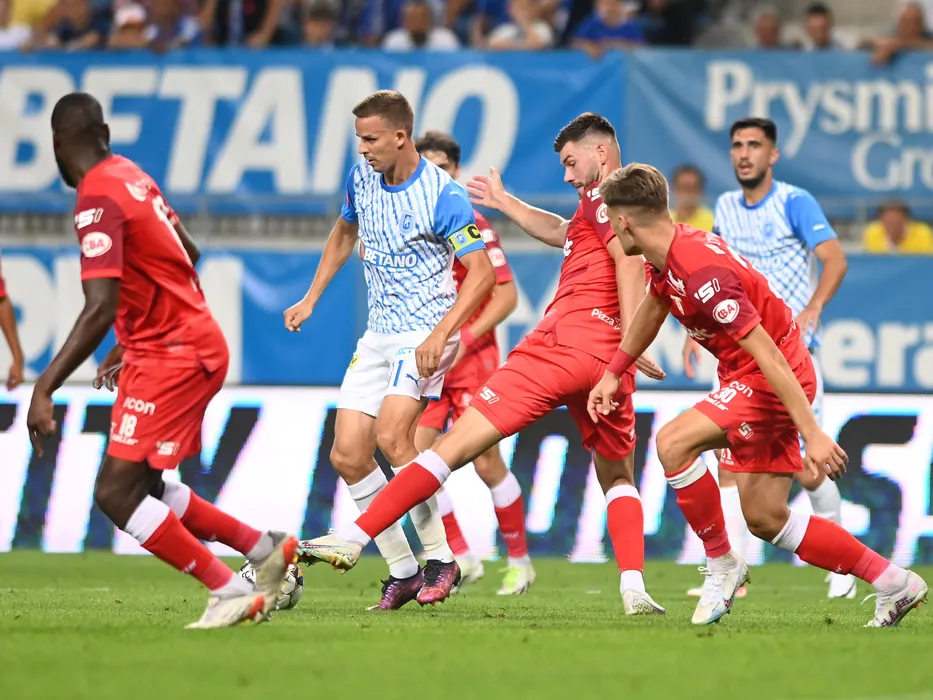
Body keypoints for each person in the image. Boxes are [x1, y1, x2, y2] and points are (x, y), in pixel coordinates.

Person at [299, 112, 669, 616]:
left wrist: (630, 337)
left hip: (559, 346)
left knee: (449, 451)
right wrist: (506, 201)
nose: (566, 175)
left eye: (570, 162)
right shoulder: (610, 206)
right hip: (605, 361)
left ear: (600, 152)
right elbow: (567, 232)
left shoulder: (607, 200)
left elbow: (623, 264)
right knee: (618, 477)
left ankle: (356, 538)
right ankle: (635, 585)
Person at [587, 162, 928, 628]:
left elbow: (770, 356)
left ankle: (722, 563)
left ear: (624, 221)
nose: (609, 227)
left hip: (770, 376)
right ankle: (894, 581)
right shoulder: (669, 250)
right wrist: (615, 371)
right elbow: (655, 304)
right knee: (766, 518)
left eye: (610, 218)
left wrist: (813, 432)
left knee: (672, 442)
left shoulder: (702, 271)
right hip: (750, 374)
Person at [26, 92, 297, 629]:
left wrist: (45, 386)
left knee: (114, 494)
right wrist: (134, 332)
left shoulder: (96, 197)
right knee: (144, 487)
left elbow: (99, 306)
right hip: (183, 342)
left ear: (58, 144)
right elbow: (186, 251)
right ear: (105, 134)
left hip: (171, 353)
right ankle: (263, 549)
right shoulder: (131, 175)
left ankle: (229, 590)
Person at [283, 91, 495, 610]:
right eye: (359, 139)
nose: (363, 149)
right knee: (348, 454)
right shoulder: (361, 179)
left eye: (371, 139)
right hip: (378, 334)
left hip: (425, 332)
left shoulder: (442, 194)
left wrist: (441, 334)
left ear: (401, 136)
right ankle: (403, 571)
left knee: (394, 437)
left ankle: (442, 560)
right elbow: (344, 232)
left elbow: (483, 274)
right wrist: (311, 297)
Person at [683, 116, 854, 600]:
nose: (744, 153)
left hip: (790, 356)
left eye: (754, 145)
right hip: (739, 357)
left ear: (772, 155)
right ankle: (732, 575)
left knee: (808, 468)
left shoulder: (794, 202)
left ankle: (843, 563)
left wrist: (813, 307)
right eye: (737, 145)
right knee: (727, 461)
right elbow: (713, 267)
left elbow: (835, 259)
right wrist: (698, 331)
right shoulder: (724, 207)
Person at [413, 130, 532, 595]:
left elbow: (507, 296)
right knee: (415, 459)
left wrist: (466, 337)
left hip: (472, 360)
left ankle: (519, 561)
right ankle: (460, 554)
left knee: (486, 462)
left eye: (443, 167)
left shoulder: (473, 222)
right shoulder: (412, 223)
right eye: (428, 167)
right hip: (430, 361)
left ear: (456, 171)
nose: (436, 175)